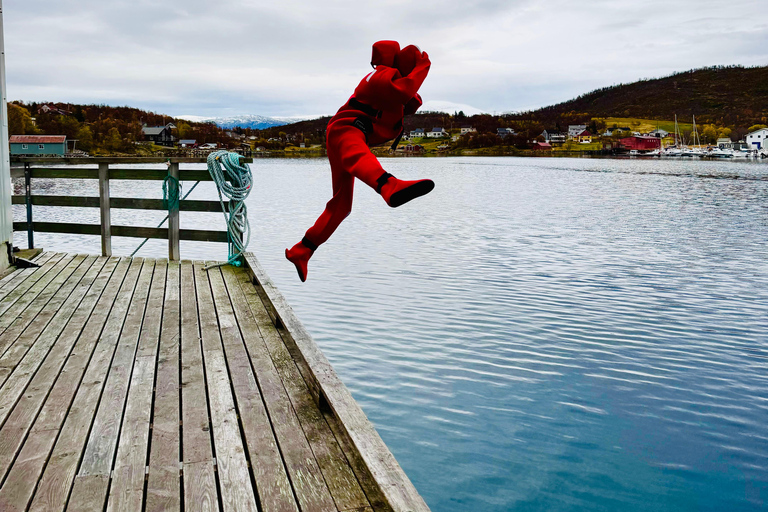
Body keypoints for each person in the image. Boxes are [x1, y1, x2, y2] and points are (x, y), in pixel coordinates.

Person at [285, 41, 434, 282]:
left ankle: (302, 250)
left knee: (342, 206)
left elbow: (409, 101)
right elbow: (405, 89)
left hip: (349, 132)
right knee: (356, 153)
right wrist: (424, 65)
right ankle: (388, 185)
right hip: (346, 129)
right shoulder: (378, 76)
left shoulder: (390, 83)